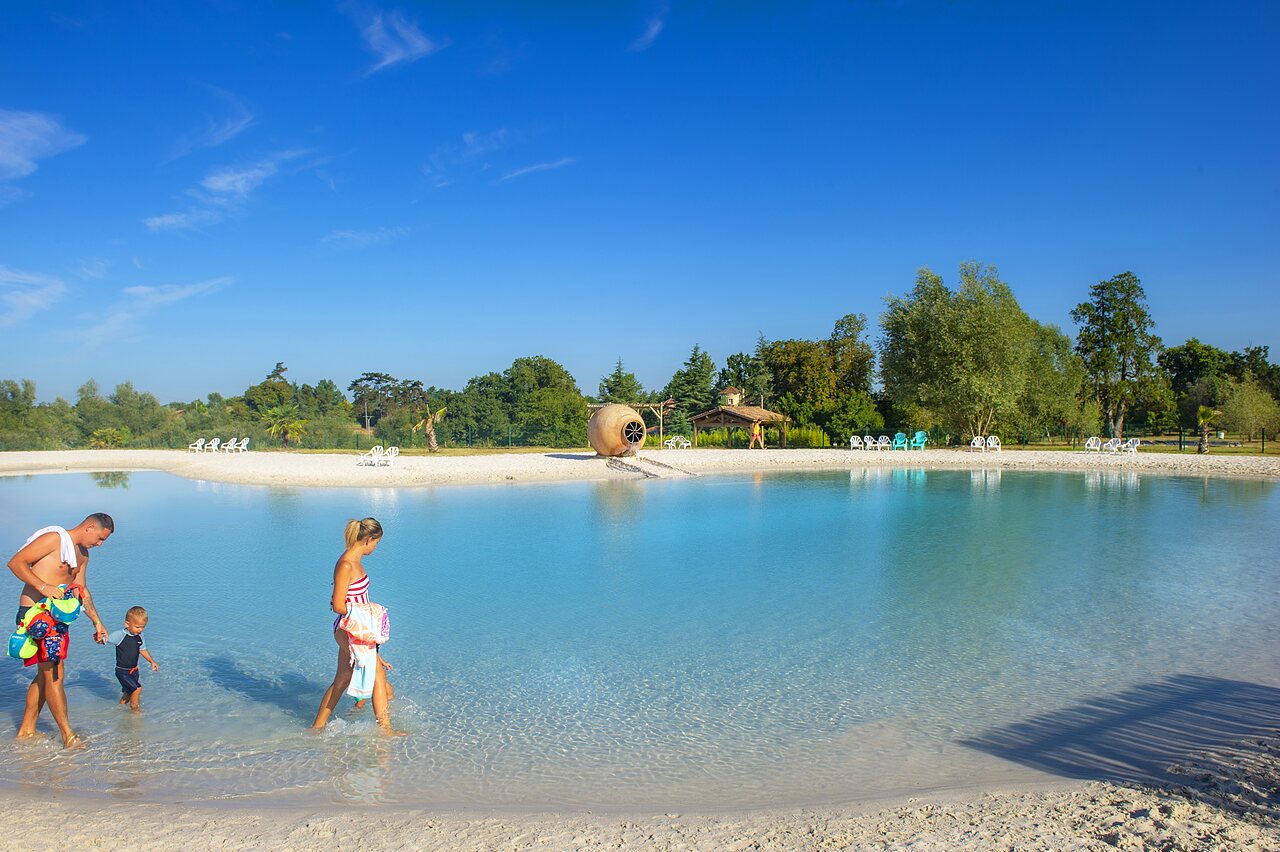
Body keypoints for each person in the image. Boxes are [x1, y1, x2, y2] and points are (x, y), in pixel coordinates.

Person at [7, 513, 114, 748]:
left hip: (57, 620)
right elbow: (15, 563)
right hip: (35, 616)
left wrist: (97, 621)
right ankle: (69, 736)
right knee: (55, 675)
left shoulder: (83, 556)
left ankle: (26, 730)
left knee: (46, 674)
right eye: (99, 538)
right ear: (88, 527)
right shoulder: (54, 539)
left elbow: (81, 590)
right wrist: (44, 586)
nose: (100, 544)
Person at [311, 517, 402, 734]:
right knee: (378, 675)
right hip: (348, 628)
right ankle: (386, 730)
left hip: (360, 629)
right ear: (368, 539)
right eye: (377, 543)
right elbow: (338, 605)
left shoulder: (356, 562)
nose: (376, 548)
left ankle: (316, 728)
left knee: (342, 679)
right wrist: (367, 612)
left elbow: (357, 597)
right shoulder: (345, 565)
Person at [106, 606, 158, 711]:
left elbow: (142, 650)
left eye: (143, 627)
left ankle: (119, 710)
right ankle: (135, 711)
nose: (140, 630)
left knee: (128, 693)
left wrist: (152, 661)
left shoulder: (140, 636)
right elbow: (105, 639)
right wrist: (99, 638)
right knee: (137, 689)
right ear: (127, 624)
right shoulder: (120, 635)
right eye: (137, 627)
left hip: (134, 670)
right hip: (122, 671)